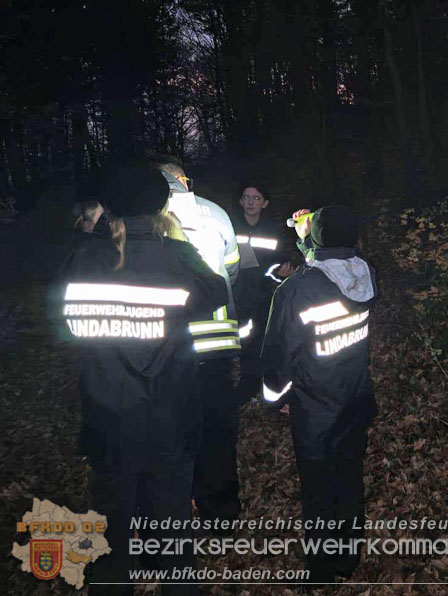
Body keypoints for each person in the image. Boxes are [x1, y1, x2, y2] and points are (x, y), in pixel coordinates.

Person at [54, 162, 228, 595]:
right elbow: (216, 294)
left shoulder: (82, 259)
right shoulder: (176, 257)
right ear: (161, 205)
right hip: (170, 419)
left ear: (108, 207)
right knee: (173, 530)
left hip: (106, 420)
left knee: (108, 535)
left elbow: (60, 318)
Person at [261, 205, 377, 584]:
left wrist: (275, 399)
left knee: (317, 489)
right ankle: (348, 558)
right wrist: (307, 243)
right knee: (349, 477)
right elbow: (332, 266)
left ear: (317, 236)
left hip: (316, 409)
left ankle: (322, 571)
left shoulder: (295, 289)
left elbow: (277, 356)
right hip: (355, 398)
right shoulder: (365, 273)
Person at [148, 155, 242, 521]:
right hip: (217, 341)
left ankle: (179, 507)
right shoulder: (216, 212)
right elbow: (232, 269)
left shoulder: (148, 218)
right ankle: (222, 512)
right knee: (218, 429)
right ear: (184, 180)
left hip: (171, 344)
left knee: (175, 430)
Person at [230, 184, 294, 402]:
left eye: (256, 198)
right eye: (246, 197)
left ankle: (265, 386)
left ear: (265, 203)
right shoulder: (229, 227)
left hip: (263, 297)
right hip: (235, 296)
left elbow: (280, 263)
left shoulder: (273, 232)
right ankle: (246, 383)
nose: (250, 202)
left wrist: (280, 274)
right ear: (240, 201)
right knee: (242, 340)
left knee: (262, 342)